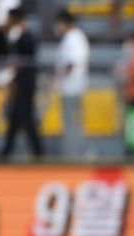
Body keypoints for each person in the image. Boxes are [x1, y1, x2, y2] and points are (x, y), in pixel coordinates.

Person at [0, 7, 42, 160]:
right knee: (17, 118)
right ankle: (11, 151)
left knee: (24, 118)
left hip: (27, 84)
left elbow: (26, 56)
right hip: (19, 83)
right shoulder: (15, 35)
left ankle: (37, 152)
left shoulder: (27, 35)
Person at [53, 9, 90, 158]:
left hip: (73, 87)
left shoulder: (74, 38)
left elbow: (72, 63)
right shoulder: (71, 38)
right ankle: (73, 153)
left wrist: (58, 77)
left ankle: (75, 155)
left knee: (73, 124)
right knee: (70, 123)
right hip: (69, 87)